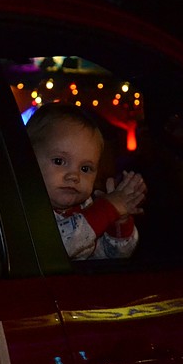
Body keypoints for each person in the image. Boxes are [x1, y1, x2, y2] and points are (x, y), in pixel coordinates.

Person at [25, 102, 146, 259]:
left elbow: (110, 257)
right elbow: (57, 247)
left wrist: (119, 221)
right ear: (28, 160)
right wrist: (108, 208)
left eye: (85, 169)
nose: (74, 176)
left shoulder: (86, 207)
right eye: (59, 161)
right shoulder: (25, 209)